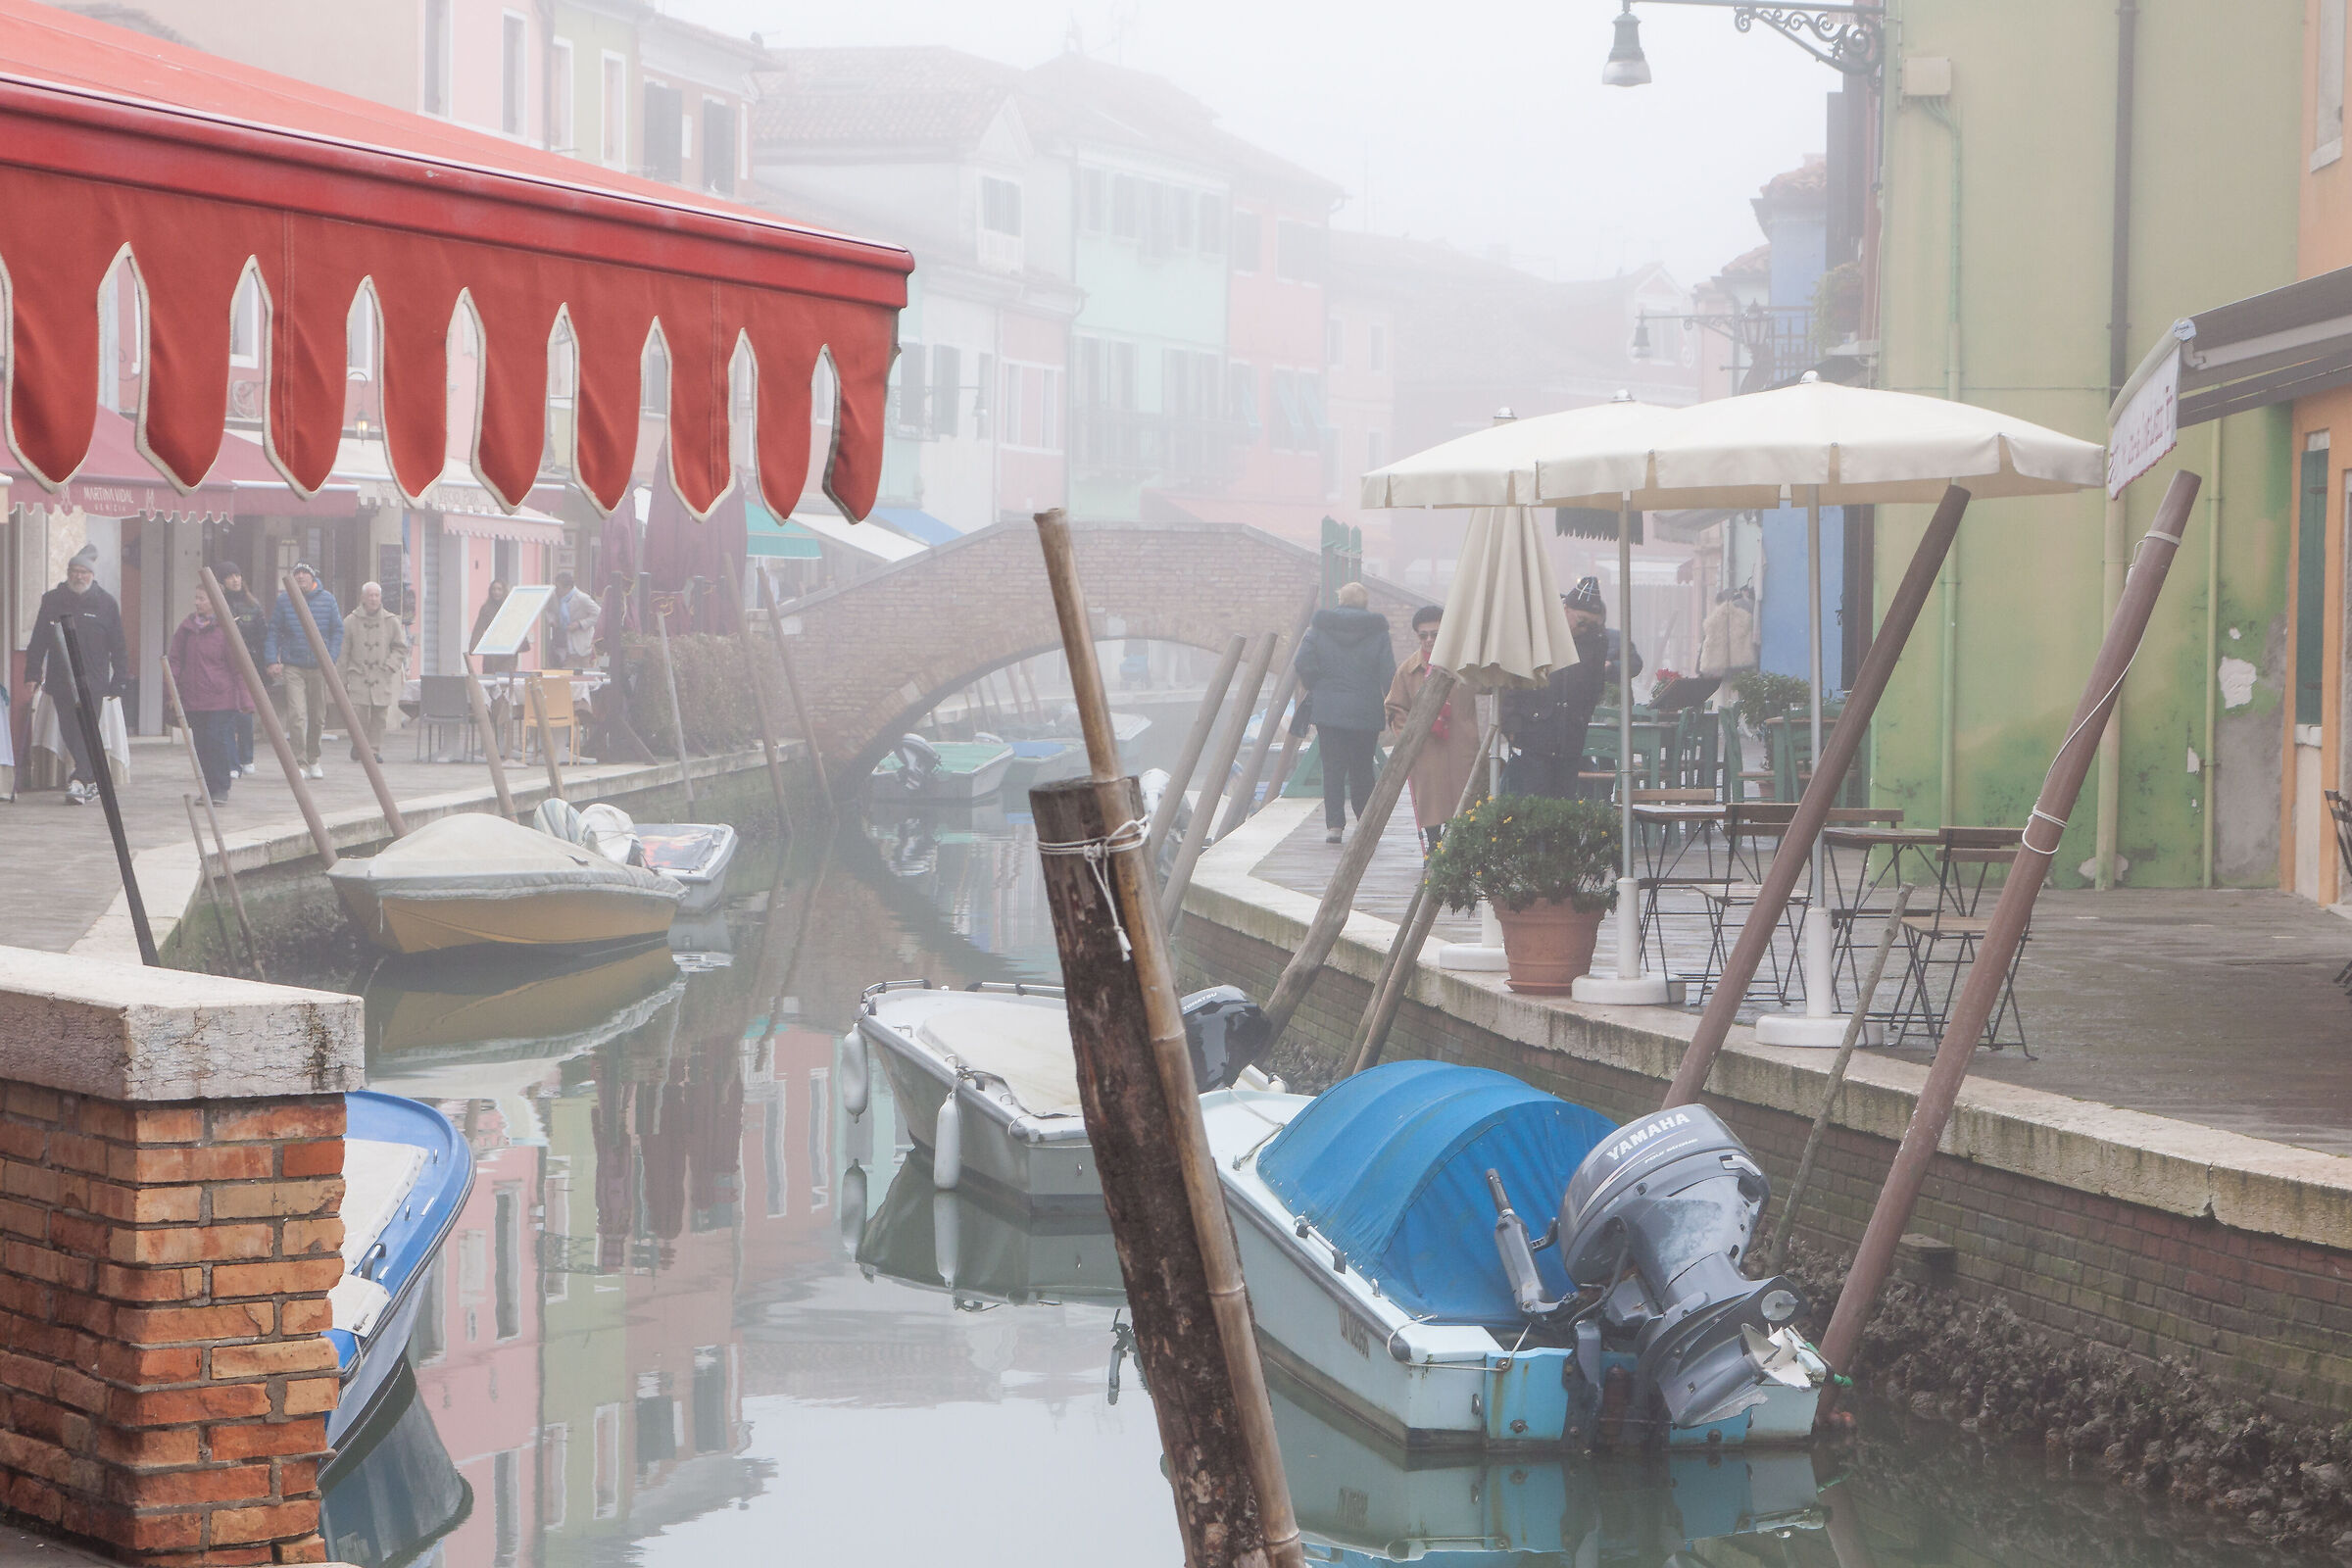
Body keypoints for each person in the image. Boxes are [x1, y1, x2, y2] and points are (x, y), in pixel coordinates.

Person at [1499, 576, 1643, 800]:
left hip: (1571, 734)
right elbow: (1513, 680)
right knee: (1532, 799)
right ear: (1565, 608)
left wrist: (1581, 719)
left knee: (1564, 798)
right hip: (1533, 729)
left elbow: (1594, 687)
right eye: (1581, 621)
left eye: (1593, 624)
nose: (1585, 628)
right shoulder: (1537, 629)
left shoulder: (1596, 640)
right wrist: (1511, 723)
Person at [1294, 581, 1396, 844]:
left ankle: (1334, 826)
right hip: (1365, 710)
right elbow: (1388, 671)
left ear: (1340, 599)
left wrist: (1317, 683)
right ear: (1365, 602)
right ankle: (1365, 823)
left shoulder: (1320, 628)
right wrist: (1392, 701)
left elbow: (1302, 661)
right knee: (1362, 767)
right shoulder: (1377, 631)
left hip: (1329, 710)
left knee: (1333, 767)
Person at [25, 543, 126, 805]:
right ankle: (89, 778)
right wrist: (32, 672)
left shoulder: (106, 603)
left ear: (92, 575)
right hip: (61, 679)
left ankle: (80, 780)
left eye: (84, 572)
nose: (78, 576)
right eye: (74, 570)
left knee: (87, 728)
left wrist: (121, 679)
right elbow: (39, 639)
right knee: (70, 729)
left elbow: (118, 644)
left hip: (93, 679)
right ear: (67, 572)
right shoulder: (52, 600)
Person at [1385, 604, 1483, 855]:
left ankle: (1458, 847)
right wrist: (1409, 737)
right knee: (1430, 798)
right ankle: (1432, 847)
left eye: (1435, 634)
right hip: (1425, 747)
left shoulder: (1465, 665)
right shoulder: (1407, 670)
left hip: (1461, 743)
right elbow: (1395, 707)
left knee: (1464, 797)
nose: (1429, 640)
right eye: (1423, 635)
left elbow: (1491, 687)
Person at [168, 584, 252, 805]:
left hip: (221, 698)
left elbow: (238, 667)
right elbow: (174, 660)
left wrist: (245, 699)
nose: (197, 602)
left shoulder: (225, 630)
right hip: (194, 698)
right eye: (196, 598)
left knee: (216, 740)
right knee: (202, 744)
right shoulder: (186, 629)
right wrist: (171, 690)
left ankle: (221, 787)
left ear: (214, 603)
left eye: (202, 599)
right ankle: (208, 788)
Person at [264, 562, 343, 779]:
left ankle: (314, 757)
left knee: (317, 716)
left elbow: (337, 630)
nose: (300, 578)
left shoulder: (328, 600)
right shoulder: (284, 601)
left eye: (304, 574)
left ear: (312, 577)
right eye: (296, 574)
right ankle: (300, 760)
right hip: (293, 666)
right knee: (297, 715)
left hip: (319, 666)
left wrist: (331, 657)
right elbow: (274, 631)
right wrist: (272, 659)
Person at [338, 580, 409, 763]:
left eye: (376, 595)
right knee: (358, 713)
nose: (373, 599)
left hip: (381, 674)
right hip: (358, 674)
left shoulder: (391, 621)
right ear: (363, 598)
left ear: (380, 598)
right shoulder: (350, 621)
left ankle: (373, 750)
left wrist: (391, 665)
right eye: (370, 595)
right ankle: (359, 744)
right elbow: (343, 652)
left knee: (379, 715)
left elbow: (400, 648)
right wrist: (341, 678)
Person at [215, 564, 267, 776]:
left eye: (237, 575)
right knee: (227, 712)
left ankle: (246, 757)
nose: (235, 580)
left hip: (248, 663)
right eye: (229, 577)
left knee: (245, 712)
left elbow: (262, 634)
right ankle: (231, 761)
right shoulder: (218, 603)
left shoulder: (252, 605)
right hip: (224, 664)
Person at [545, 570, 601, 667]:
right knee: (566, 675)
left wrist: (580, 624)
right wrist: (552, 620)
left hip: (582, 647)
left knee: (584, 675)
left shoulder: (582, 598)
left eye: (559, 588)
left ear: (568, 588)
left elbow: (599, 614)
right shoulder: (554, 597)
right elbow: (548, 609)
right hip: (563, 645)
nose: (556, 591)